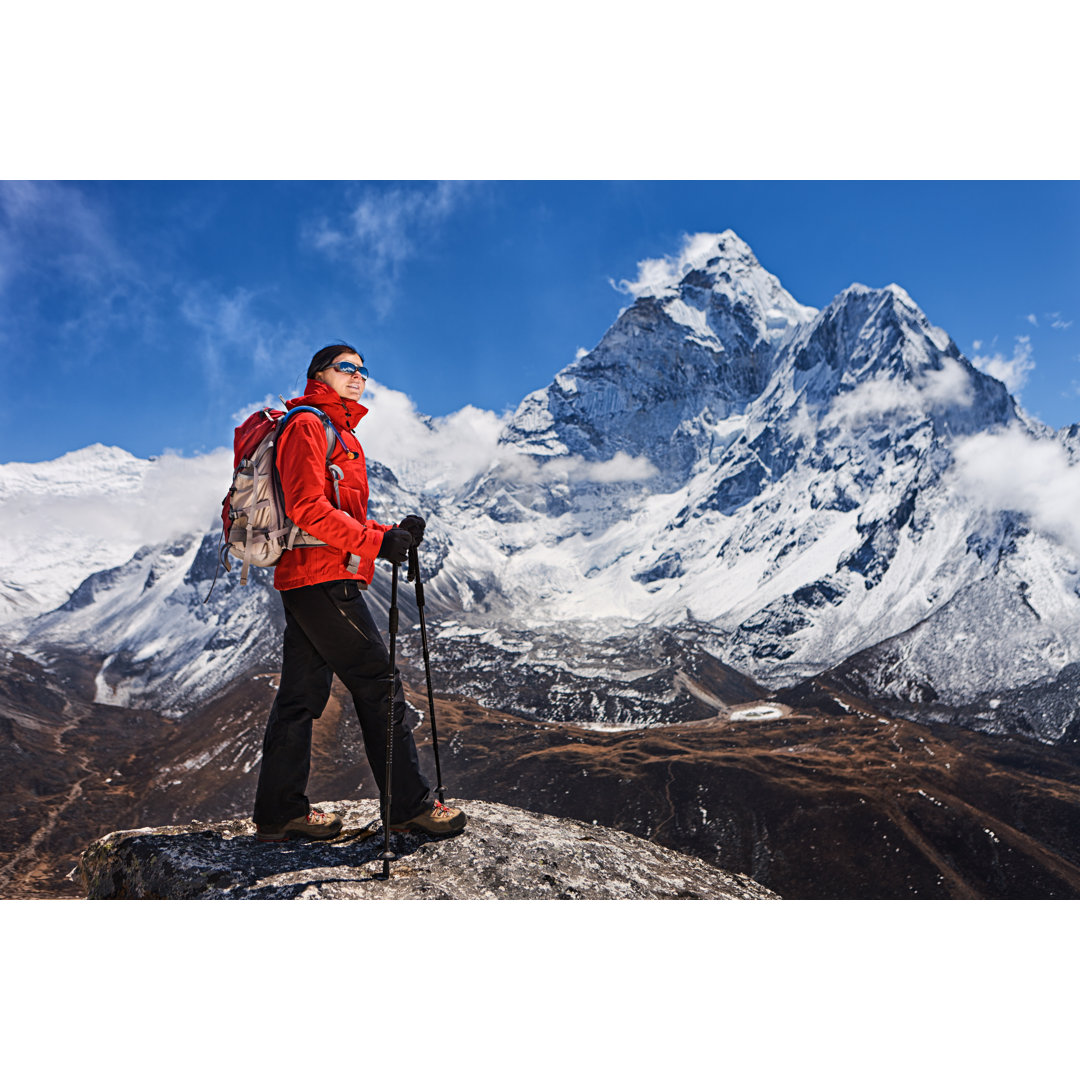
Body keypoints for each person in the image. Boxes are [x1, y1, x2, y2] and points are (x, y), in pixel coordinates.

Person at [252, 343, 467, 842]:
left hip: (314, 577)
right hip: (321, 577)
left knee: (299, 698)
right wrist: (376, 542)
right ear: (318, 375)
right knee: (380, 685)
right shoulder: (308, 426)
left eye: (363, 370)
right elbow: (307, 509)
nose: (358, 376)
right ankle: (409, 806)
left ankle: (279, 813)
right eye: (346, 368)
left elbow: (337, 514)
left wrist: (392, 532)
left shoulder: (338, 431)